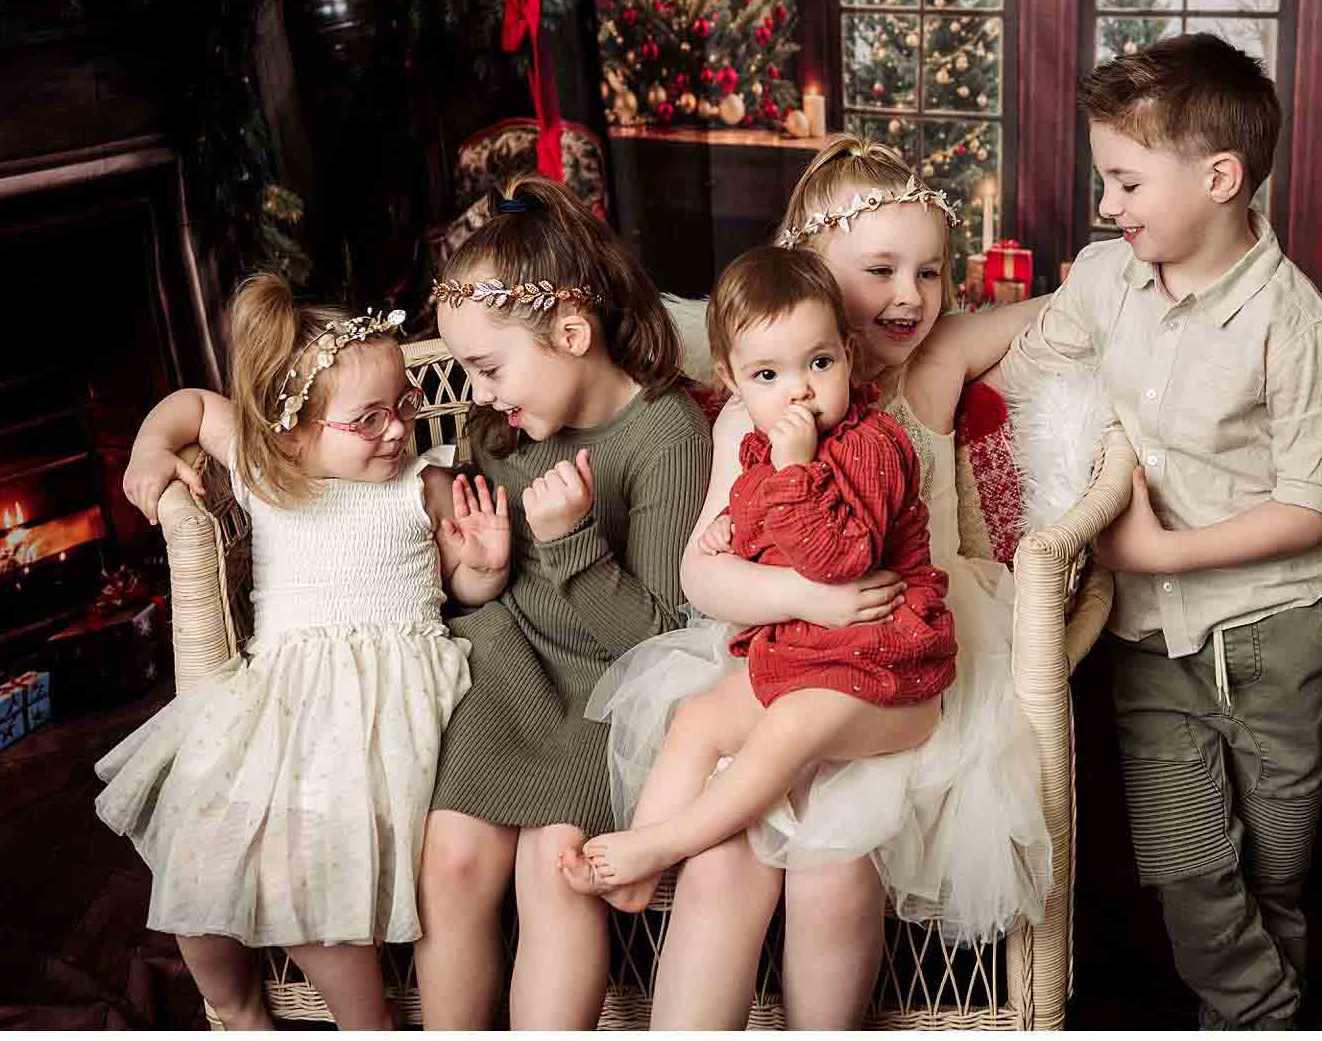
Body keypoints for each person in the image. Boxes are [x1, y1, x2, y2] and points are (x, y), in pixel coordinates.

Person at [615, 136, 1053, 1028]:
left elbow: (1054, 310)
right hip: (779, 641)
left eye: (930, 272)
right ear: (811, 270)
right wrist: (800, 599)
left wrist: (1135, 268)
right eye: (882, 269)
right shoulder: (754, 406)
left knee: (834, 866)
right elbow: (704, 569)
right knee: (724, 859)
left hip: (900, 656)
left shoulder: (926, 371)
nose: (911, 297)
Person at [997, 33, 1322, 1029]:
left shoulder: (1296, 326)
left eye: (1124, 181)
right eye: (1104, 181)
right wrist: (913, 351)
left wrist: (1160, 551)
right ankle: (1261, 1018)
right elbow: (1029, 362)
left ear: (1219, 177)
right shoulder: (1107, 277)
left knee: (1272, 872)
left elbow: (1311, 505)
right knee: (1187, 870)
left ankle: (1244, 1019)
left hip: (1280, 635)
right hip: (1153, 644)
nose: (1107, 204)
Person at [99, 275, 485, 1030]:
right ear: (291, 433)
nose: (398, 428)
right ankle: (236, 1006)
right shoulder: (262, 469)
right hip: (276, 703)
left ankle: (364, 1023)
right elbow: (188, 405)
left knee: (308, 871)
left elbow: (468, 583)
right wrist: (149, 448)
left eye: (403, 403)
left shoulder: (421, 484)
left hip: (382, 712)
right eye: (367, 418)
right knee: (196, 852)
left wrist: (485, 561)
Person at [411, 175, 713, 1030]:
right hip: (507, 667)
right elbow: (474, 592)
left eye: (488, 367)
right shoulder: (500, 430)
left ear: (572, 332)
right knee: (453, 855)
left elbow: (664, 644)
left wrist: (576, 540)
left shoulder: (666, 436)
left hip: (607, 696)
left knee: (555, 861)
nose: (476, 394)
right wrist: (480, 575)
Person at [568, 246, 955, 911]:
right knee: (697, 717)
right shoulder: (757, 446)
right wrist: (732, 532)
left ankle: (663, 844)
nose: (799, 389)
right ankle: (635, 865)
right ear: (734, 380)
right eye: (769, 374)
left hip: (887, 666)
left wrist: (794, 468)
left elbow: (838, 560)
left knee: (785, 730)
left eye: (820, 363)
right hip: (808, 652)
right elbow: (758, 522)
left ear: (848, 357)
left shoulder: (873, 445)